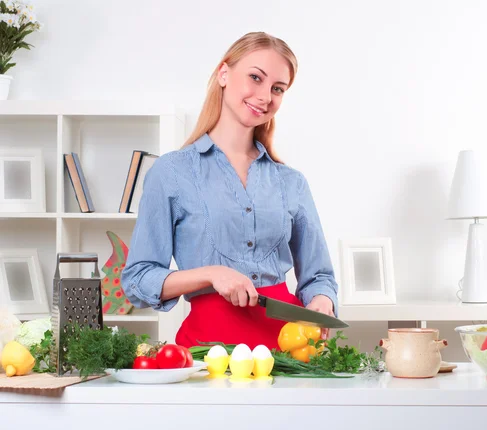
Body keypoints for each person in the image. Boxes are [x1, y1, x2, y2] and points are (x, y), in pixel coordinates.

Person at [121, 32, 339, 351]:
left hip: (289, 354)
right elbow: (138, 279)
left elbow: (319, 276)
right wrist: (211, 274)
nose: (265, 96)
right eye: (255, 77)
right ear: (224, 74)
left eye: (277, 88)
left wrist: (322, 302)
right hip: (206, 356)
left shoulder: (291, 182)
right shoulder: (171, 173)